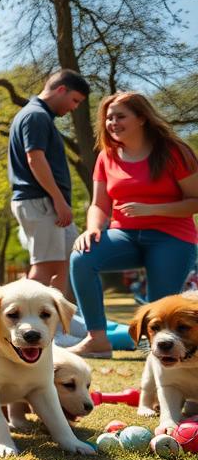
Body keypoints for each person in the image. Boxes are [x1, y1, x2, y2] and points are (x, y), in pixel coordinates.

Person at [68, 92, 198, 358]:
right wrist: (93, 228)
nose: (112, 123)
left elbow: (195, 200)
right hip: (124, 235)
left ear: (141, 118)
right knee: (81, 258)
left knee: (159, 307)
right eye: (109, 118)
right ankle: (97, 339)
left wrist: (152, 209)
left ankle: (157, 351)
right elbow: (99, 204)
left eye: (120, 116)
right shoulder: (106, 156)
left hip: (171, 237)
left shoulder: (174, 152)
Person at [9, 70, 91, 293]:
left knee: (68, 260)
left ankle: (58, 315)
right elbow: (35, 159)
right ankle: (24, 313)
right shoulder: (35, 115)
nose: (74, 107)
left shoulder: (40, 116)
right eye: (75, 100)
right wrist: (58, 199)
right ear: (61, 90)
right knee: (46, 267)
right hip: (41, 201)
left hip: (49, 202)